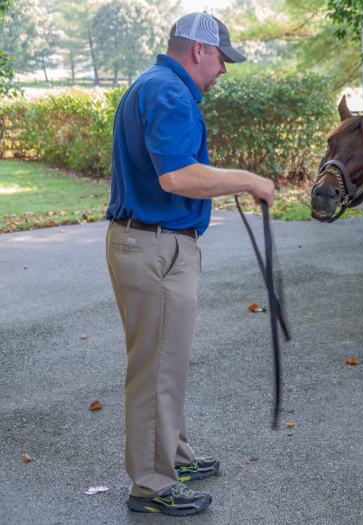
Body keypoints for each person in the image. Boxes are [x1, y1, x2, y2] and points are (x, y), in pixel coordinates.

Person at [105, 12, 275, 516]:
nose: (224, 68)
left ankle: (173, 458)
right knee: (156, 369)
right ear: (199, 50)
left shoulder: (157, 84)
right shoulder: (170, 93)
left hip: (153, 243)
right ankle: (152, 485)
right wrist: (249, 179)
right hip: (155, 247)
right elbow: (176, 177)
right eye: (222, 57)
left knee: (166, 363)